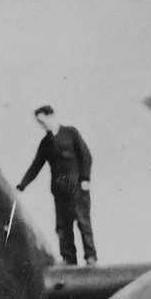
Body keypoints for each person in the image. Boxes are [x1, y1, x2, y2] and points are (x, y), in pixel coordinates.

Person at [16, 105, 97, 265]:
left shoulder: (71, 133)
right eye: (39, 123)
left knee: (83, 222)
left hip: (77, 188)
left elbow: (86, 156)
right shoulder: (46, 142)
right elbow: (36, 165)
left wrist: (85, 179)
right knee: (62, 225)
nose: (42, 125)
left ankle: (90, 257)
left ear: (51, 116)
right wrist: (22, 185)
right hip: (59, 191)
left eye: (43, 121)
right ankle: (68, 259)